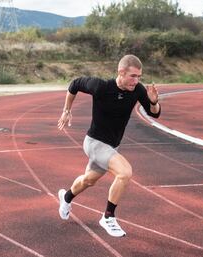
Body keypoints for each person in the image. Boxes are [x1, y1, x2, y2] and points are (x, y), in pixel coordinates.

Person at [57, 54, 161, 237]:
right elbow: (74, 84)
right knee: (125, 172)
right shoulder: (101, 87)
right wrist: (66, 111)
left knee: (89, 180)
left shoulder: (137, 90)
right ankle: (108, 217)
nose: (136, 81)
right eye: (133, 76)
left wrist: (153, 102)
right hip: (94, 143)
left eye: (139, 77)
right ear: (121, 72)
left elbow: (155, 114)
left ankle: (66, 198)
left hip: (111, 147)